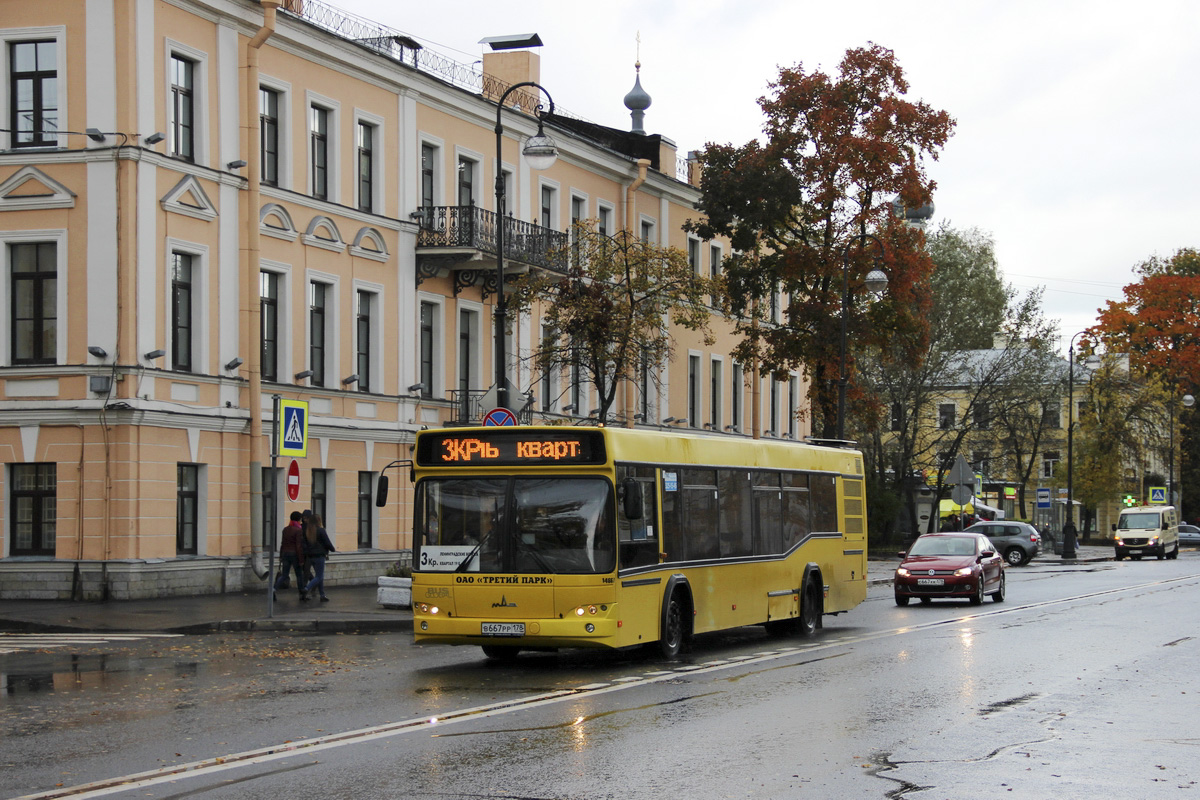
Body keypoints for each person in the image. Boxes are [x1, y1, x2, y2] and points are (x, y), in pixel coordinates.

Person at [302, 512, 336, 602]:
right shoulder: (321, 530)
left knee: (319, 576)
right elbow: (327, 542)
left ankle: (322, 595)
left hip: (310, 556)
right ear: (318, 521)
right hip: (319, 556)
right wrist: (333, 549)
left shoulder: (308, 531)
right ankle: (306, 588)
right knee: (319, 576)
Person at [274, 511, 306, 600]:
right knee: (299, 574)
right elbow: (298, 546)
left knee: (284, 575)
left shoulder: (285, 529)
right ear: (298, 519)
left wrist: (281, 556)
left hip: (285, 554)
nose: (301, 521)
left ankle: (273, 589)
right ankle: (301, 594)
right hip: (295, 555)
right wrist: (301, 559)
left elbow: (282, 543)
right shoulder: (299, 530)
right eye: (300, 519)